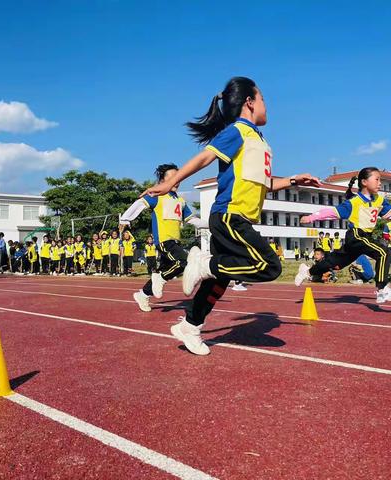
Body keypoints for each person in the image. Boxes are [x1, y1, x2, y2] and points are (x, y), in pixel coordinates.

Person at [141, 77, 320, 354]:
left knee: (218, 283)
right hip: (229, 215)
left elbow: (265, 182)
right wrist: (168, 183)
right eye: (263, 99)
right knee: (268, 266)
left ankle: (190, 326)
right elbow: (205, 157)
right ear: (249, 102)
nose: (266, 106)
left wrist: (294, 180)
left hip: (238, 218)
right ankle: (205, 264)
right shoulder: (238, 131)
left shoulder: (258, 140)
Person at [120, 163, 207, 312]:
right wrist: (125, 219)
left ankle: (143, 294)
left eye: (178, 177)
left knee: (165, 270)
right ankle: (159, 278)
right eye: (172, 177)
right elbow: (140, 203)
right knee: (183, 262)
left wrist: (213, 224)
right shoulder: (157, 195)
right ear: (162, 180)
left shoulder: (181, 201)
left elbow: (192, 220)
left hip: (175, 240)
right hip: (163, 240)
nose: (176, 181)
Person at [296, 167, 391, 303]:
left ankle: (308, 271)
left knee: (335, 264)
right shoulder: (354, 203)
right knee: (383, 252)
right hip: (356, 235)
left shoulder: (379, 200)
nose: (380, 183)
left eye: (380, 180)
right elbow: (332, 212)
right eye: (377, 179)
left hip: (366, 238)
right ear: (364, 182)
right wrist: (311, 217)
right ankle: (381, 290)